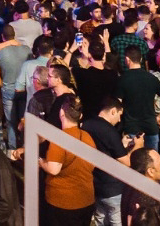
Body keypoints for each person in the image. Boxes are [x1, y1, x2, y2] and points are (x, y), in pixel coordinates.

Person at [40, 95, 97, 226]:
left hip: (63, 202)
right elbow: (92, 164)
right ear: (80, 116)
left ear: (61, 113)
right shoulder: (87, 137)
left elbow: (53, 169)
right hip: (86, 199)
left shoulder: (60, 139)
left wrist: (41, 162)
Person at [83, 97, 140, 226]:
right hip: (112, 187)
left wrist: (121, 145)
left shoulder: (86, 125)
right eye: (119, 115)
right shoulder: (110, 131)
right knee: (117, 221)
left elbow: (105, 150)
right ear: (113, 111)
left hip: (96, 184)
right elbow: (126, 161)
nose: (119, 120)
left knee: (100, 220)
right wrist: (137, 146)